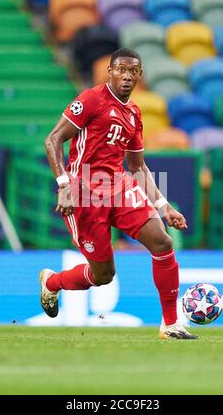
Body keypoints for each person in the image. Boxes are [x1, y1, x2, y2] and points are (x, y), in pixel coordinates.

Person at [40, 48, 197, 340]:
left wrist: (164, 207)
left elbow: (137, 167)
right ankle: (53, 282)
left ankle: (171, 323)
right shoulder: (91, 100)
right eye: (120, 70)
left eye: (132, 71)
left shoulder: (134, 114)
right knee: (103, 275)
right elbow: (53, 139)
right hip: (85, 194)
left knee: (162, 242)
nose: (126, 76)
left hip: (120, 188)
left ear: (140, 75)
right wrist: (64, 185)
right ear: (109, 72)